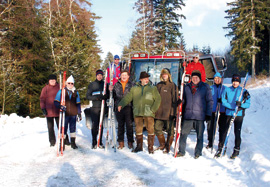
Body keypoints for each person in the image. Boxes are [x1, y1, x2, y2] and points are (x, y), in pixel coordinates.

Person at [118, 71, 161, 154]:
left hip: (149, 113)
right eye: (145, 78)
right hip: (138, 112)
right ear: (141, 79)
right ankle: (139, 147)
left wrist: (153, 109)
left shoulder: (152, 88)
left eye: (147, 78)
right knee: (138, 130)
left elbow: (158, 100)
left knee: (150, 130)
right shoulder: (134, 89)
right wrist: (121, 104)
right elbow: (128, 98)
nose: (147, 80)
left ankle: (150, 147)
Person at [177, 70, 213, 159]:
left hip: (200, 116)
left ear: (200, 78)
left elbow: (210, 101)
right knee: (183, 134)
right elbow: (184, 100)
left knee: (200, 136)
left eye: (197, 77)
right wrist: (180, 102)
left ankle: (198, 152)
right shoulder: (186, 87)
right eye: (193, 77)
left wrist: (208, 114)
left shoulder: (205, 87)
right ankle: (181, 151)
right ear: (191, 78)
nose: (195, 79)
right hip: (188, 115)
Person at [215, 74, 250, 159]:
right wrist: (232, 106)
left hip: (239, 115)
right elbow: (223, 101)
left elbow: (248, 104)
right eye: (234, 81)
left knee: (237, 132)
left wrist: (241, 104)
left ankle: (236, 149)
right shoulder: (227, 90)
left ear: (239, 82)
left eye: (237, 82)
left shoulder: (244, 91)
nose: (235, 83)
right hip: (229, 113)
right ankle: (221, 147)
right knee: (225, 131)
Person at [54, 75, 82, 150]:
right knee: (64, 128)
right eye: (69, 83)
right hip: (64, 114)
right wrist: (60, 107)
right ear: (66, 83)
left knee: (73, 128)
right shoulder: (62, 91)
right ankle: (62, 143)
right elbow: (56, 102)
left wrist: (79, 113)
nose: (70, 85)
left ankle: (73, 143)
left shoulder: (76, 92)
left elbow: (78, 103)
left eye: (72, 83)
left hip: (73, 113)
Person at [155, 68, 179, 153]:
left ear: (169, 75)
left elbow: (175, 101)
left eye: (166, 74)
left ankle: (168, 146)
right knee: (157, 128)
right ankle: (162, 144)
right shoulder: (158, 85)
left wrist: (174, 113)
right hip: (159, 112)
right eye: (163, 74)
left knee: (170, 130)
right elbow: (154, 98)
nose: (164, 75)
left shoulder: (173, 86)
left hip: (169, 113)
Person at [111, 70, 135, 149]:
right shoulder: (116, 85)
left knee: (129, 125)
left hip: (129, 107)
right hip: (119, 107)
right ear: (120, 76)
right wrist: (110, 90)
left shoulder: (132, 85)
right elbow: (113, 96)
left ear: (128, 76)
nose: (124, 76)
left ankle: (130, 141)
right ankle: (121, 141)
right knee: (120, 125)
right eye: (122, 75)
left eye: (125, 75)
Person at [86, 70, 108, 149]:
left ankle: (100, 141)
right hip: (94, 108)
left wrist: (105, 96)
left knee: (100, 126)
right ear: (96, 76)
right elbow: (88, 96)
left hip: (102, 108)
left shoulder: (105, 84)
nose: (99, 76)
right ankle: (94, 142)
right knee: (95, 125)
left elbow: (108, 94)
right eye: (98, 75)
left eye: (101, 75)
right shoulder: (92, 85)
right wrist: (97, 98)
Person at [206, 72, 227, 149]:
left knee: (222, 128)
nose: (217, 80)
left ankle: (221, 143)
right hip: (212, 111)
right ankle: (210, 142)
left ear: (221, 79)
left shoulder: (224, 88)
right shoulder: (210, 88)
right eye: (215, 79)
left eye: (218, 78)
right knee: (210, 128)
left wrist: (222, 100)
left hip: (222, 111)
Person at [40, 74, 61, 147]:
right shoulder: (45, 89)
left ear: (56, 80)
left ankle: (64, 139)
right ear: (49, 81)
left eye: (54, 80)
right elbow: (42, 99)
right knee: (50, 127)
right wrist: (43, 108)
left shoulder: (60, 87)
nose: (52, 81)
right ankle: (52, 141)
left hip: (58, 110)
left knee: (61, 126)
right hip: (49, 111)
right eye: (51, 80)